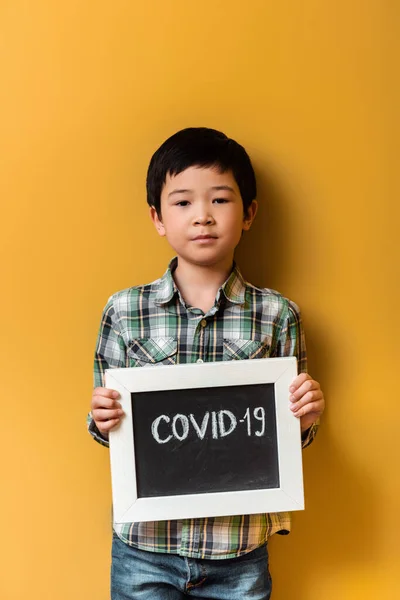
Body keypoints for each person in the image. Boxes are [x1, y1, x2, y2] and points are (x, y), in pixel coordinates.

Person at [87, 127, 325, 599]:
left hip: (238, 550)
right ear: (157, 217)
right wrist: (101, 418)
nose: (202, 217)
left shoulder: (278, 316)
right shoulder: (124, 311)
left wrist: (306, 415)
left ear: (249, 212)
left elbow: (286, 438)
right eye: (182, 203)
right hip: (144, 548)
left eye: (219, 200)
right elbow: (105, 429)